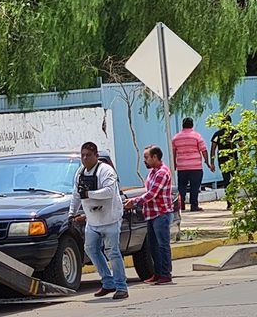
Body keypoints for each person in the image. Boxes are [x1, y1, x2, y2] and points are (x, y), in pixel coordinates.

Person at [68, 141, 128, 299]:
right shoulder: (80, 173)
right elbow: (76, 194)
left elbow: (109, 192)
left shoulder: (106, 171)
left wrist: (89, 194)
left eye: (88, 155)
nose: (85, 158)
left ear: (96, 156)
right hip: (93, 221)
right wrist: (71, 213)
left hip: (110, 219)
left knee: (112, 252)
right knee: (90, 249)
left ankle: (121, 287)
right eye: (82, 155)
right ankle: (108, 282)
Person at [123, 145, 174, 284]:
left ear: (155, 157)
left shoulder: (162, 173)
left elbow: (152, 194)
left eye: (146, 157)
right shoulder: (152, 172)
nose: (144, 160)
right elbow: (147, 191)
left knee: (163, 245)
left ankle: (165, 273)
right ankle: (157, 273)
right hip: (151, 214)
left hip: (161, 213)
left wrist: (134, 201)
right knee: (153, 246)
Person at [171, 117, 209, 212]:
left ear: (182, 125)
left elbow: (174, 152)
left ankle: (181, 204)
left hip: (182, 166)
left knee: (182, 186)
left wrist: (174, 164)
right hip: (195, 166)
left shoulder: (176, 137)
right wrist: (207, 162)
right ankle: (194, 205)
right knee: (194, 187)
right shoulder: (197, 136)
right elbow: (203, 150)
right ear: (192, 125)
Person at [210, 115, 239, 210]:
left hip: (223, 161)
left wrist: (212, 162)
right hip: (233, 160)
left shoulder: (217, 134)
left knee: (227, 181)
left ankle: (230, 202)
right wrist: (246, 158)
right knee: (234, 180)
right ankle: (233, 200)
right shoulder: (235, 132)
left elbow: (213, 149)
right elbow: (242, 146)